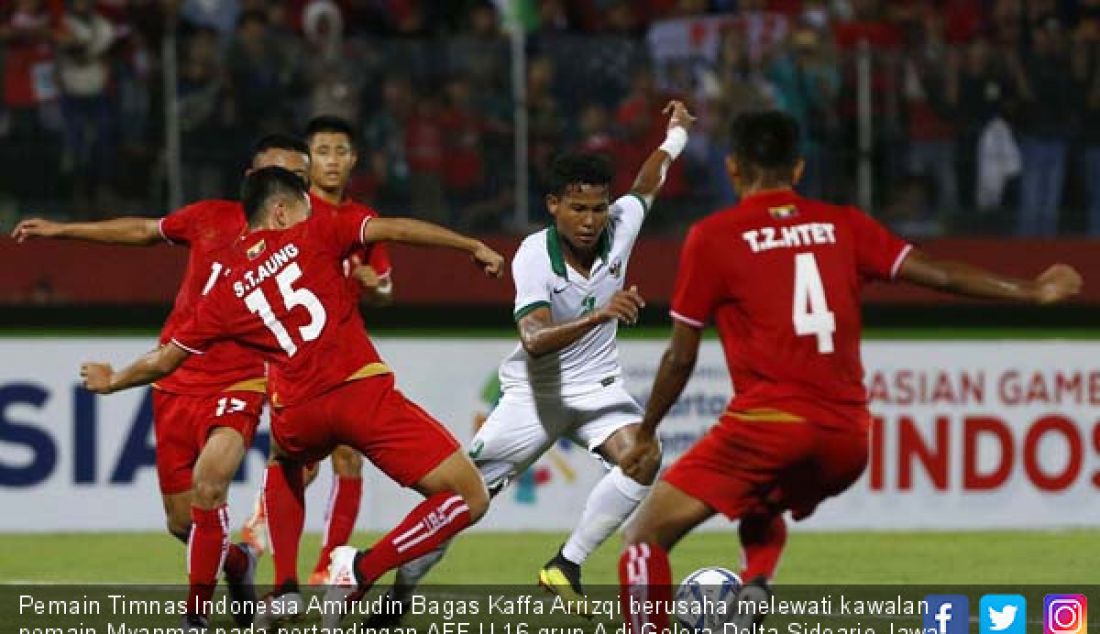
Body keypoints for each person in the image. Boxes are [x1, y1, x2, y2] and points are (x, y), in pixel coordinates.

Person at [616, 111, 1083, 633]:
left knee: (644, 538)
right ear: (797, 169)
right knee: (760, 502)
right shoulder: (845, 224)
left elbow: (681, 355)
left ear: (732, 169)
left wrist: (648, 431)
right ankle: (756, 584)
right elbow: (941, 273)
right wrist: (1032, 289)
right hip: (848, 440)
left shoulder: (714, 236)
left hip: (769, 424)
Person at [79, 166, 504, 629]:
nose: (310, 211)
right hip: (358, 391)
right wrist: (470, 245)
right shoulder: (318, 231)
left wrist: (114, 379)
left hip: (298, 411)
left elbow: (164, 360)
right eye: (303, 204)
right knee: (470, 496)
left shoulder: (223, 293)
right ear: (281, 212)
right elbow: (397, 228)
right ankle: (360, 569)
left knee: (284, 462)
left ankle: (284, 585)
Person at [369, 101, 696, 622]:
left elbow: (649, 178)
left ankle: (566, 565)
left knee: (645, 455)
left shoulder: (622, 222)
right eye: (578, 209)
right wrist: (599, 316)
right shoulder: (532, 256)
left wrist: (675, 135)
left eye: (597, 208)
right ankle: (401, 590)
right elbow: (535, 337)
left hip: (598, 389)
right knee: (460, 501)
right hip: (534, 395)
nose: (590, 220)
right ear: (553, 205)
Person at [11, 134, 314, 631]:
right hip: (174, 379)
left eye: (297, 181)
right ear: (250, 181)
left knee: (210, 485)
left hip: (242, 382)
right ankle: (238, 563)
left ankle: (194, 620)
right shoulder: (210, 217)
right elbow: (142, 230)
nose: (286, 190)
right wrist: (63, 229)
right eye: (273, 177)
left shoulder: (306, 244)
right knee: (183, 521)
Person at [239, 116, 395, 589]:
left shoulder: (363, 220)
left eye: (339, 151)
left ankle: (327, 564)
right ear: (307, 163)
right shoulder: (289, 213)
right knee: (294, 463)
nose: (331, 160)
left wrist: (376, 286)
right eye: (322, 151)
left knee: (349, 457)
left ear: (353, 160)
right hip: (292, 357)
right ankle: (257, 539)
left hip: (344, 355)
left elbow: (386, 287)